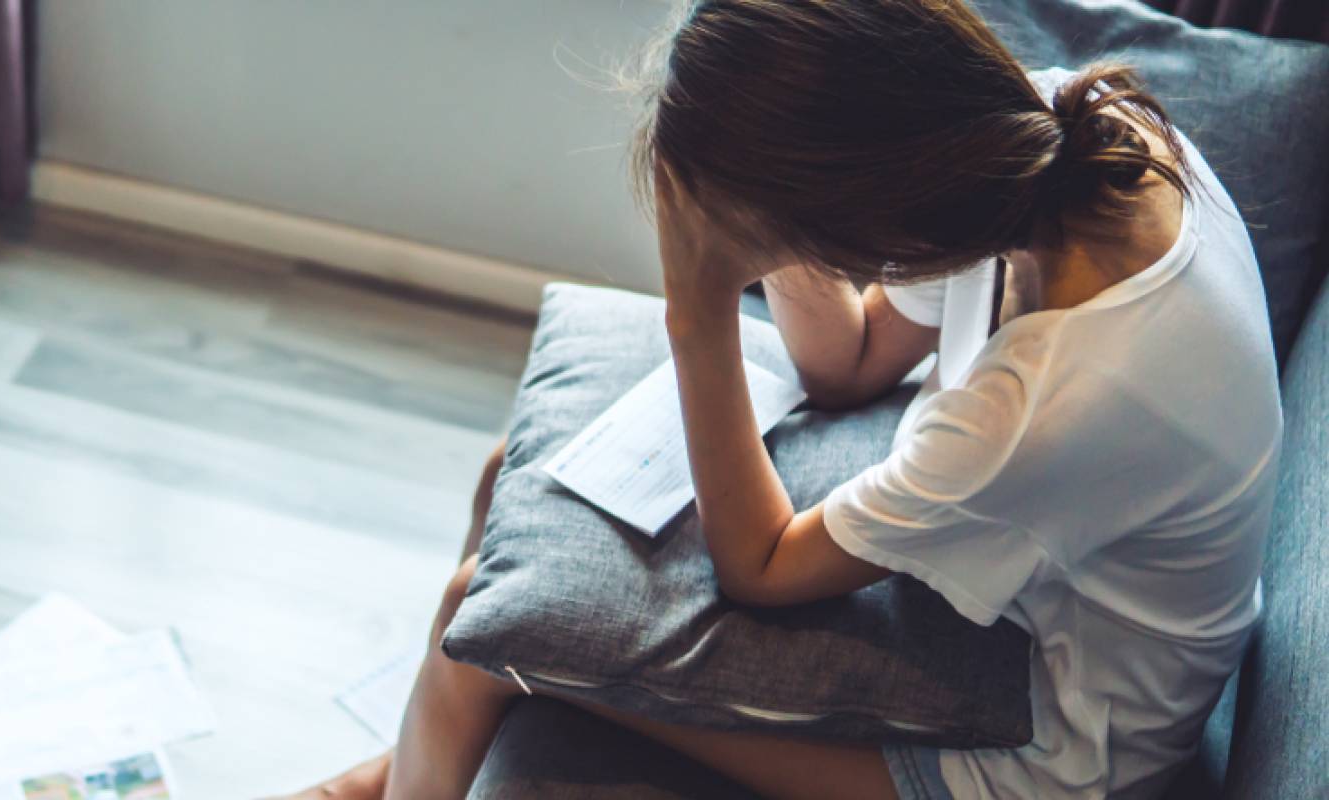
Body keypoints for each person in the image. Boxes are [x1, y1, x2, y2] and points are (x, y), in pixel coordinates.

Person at [282, 0, 1280, 797]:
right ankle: (410, 765)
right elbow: (849, 361)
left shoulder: (1049, 398)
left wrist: (701, 301)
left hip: (1049, 745)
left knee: (481, 620)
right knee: (516, 472)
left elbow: (757, 565)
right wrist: (769, 205)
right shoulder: (1046, 140)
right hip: (1021, 574)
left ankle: (415, 760)